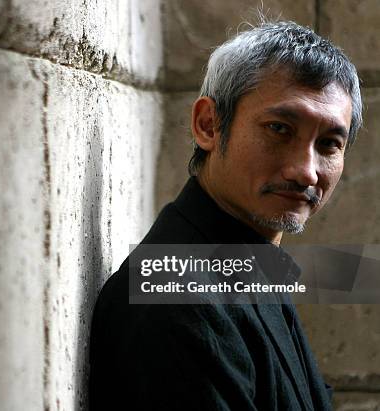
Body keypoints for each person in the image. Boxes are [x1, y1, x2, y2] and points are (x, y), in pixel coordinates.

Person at [89, 20, 362, 410]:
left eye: (329, 144)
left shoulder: (247, 259)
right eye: (280, 129)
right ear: (208, 125)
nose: (306, 171)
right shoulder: (178, 303)